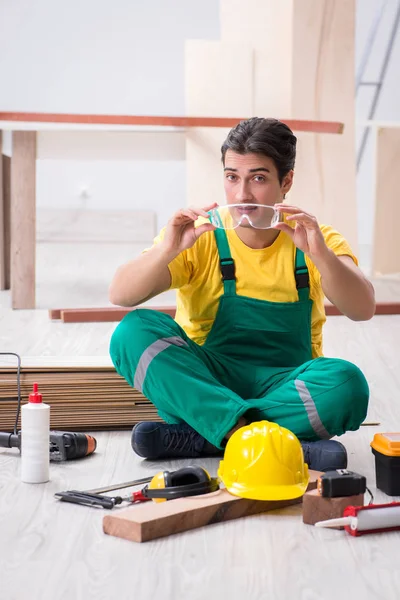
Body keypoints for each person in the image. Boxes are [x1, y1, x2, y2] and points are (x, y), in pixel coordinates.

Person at [109, 117, 375, 471]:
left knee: (348, 384)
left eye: (259, 179)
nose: (243, 195)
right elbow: (120, 294)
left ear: (287, 182)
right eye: (232, 177)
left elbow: (362, 308)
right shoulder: (201, 237)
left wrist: (321, 255)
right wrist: (167, 250)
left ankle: (208, 437)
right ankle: (273, 440)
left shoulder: (313, 237)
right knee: (132, 331)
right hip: (206, 384)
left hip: (285, 386)